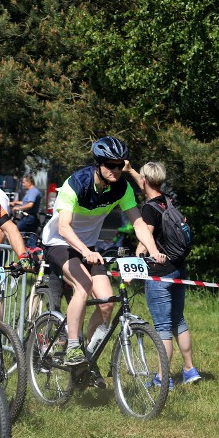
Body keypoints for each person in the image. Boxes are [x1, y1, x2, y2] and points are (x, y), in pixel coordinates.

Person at [41, 136, 165, 366]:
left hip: (88, 247)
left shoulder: (122, 188)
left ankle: (88, 359)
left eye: (120, 165)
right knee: (84, 285)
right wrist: (84, 251)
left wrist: (154, 250)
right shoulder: (76, 183)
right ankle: (72, 347)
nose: (116, 170)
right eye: (110, 165)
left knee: (107, 303)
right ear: (98, 163)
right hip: (59, 241)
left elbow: (138, 223)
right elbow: (63, 226)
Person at [128, 161, 201, 386]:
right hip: (179, 268)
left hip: (160, 273)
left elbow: (144, 240)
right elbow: (146, 183)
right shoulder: (169, 200)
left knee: (162, 327)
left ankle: (162, 378)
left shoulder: (149, 209)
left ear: (144, 181)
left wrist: (133, 266)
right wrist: (131, 170)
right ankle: (190, 370)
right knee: (178, 320)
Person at [13, 174, 43, 246]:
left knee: (15, 230)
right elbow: (25, 202)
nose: (23, 184)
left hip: (29, 217)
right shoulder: (31, 191)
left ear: (29, 182)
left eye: (24, 182)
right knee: (31, 241)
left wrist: (19, 208)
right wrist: (14, 203)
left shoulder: (33, 192)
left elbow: (30, 204)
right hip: (31, 218)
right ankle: (32, 255)